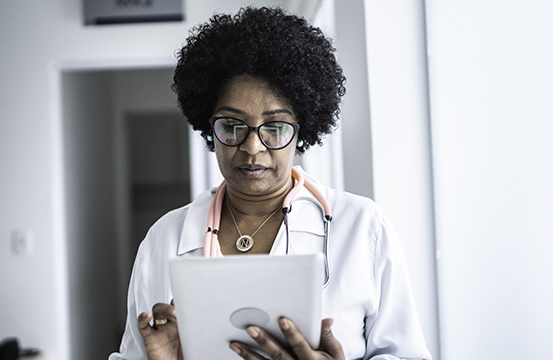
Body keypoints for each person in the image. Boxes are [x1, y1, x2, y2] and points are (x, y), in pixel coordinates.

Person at [109, 6, 431, 360]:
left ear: (301, 130)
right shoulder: (165, 237)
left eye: (275, 127)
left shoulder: (363, 227)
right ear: (209, 129)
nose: (252, 147)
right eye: (232, 126)